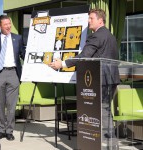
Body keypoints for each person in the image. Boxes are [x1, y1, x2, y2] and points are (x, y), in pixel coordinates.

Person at [49, 8, 120, 149]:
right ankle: (110, 144)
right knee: (105, 112)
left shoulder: (97, 36)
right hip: (110, 79)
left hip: (99, 81)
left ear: (101, 20)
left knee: (101, 113)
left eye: (91, 18)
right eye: (88, 18)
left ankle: (106, 144)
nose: (88, 21)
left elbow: (84, 56)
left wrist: (61, 64)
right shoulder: (110, 36)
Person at [0, 15, 25, 141]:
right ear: (0, 26)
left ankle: (9, 131)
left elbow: (23, 55)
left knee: (11, 105)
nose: (8, 26)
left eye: (9, 23)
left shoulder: (17, 38)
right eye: (5, 24)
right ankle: (1, 129)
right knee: (0, 104)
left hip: (13, 74)